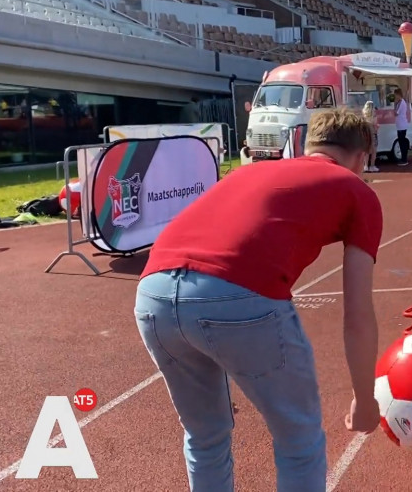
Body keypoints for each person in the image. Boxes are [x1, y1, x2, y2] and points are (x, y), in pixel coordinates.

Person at [134, 108, 383, 491]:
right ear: (362, 156)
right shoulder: (355, 189)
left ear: (303, 144)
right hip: (238, 296)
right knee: (299, 442)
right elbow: (358, 315)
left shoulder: (250, 171)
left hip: (154, 293)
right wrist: (365, 400)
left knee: (205, 436)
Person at [393, 88, 410, 166]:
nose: (395, 96)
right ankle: (403, 158)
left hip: (402, 125)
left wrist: (394, 104)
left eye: (395, 95)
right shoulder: (400, 102)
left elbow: (396, 113)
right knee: (400, 142)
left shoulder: (402, 103)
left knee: (402, 142)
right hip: (400, 125)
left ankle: (404, 159)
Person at [362, 100, 379, 173]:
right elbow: (375, 125)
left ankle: (365, 166)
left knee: (366, 151)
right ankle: (372, 166)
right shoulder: (374, 116)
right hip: (373, 134)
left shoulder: (364, 115)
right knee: (374, 150)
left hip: (366, 134)